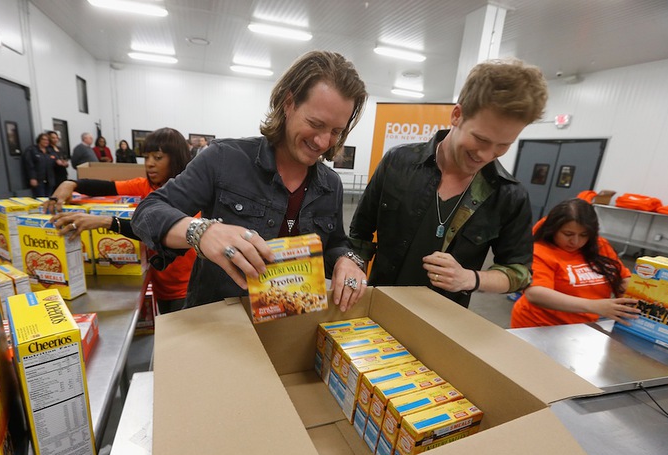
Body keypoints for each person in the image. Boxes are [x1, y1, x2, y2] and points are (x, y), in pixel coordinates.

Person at [131, 50, 369, 311]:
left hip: (293, 323)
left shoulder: (330, 184)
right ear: (288, 103)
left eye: (336, 131)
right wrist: (200, 232)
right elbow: (148, 212)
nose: (323, 142)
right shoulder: (224, 159)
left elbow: (335, 242)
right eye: (315, 123)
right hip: (219, 325)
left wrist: (346, 260)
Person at [349, 59, 548, 308]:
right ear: (457, 115)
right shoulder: (398, 162)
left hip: (445, 321)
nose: (486, 155)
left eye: (503, 145)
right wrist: (352, 275)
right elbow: (360, 236)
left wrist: (470, 278)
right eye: (480, 139)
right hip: (378, 305)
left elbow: (518, 273)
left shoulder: (509, 195)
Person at [46, 128, 195, 314]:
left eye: (157, 158)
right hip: (160, 283)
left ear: (176, 159)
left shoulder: (188, 195)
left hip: (186, 290)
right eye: (146, 157)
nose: (149, 164)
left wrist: (106, 222)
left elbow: (163, 233)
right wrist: (71, 183)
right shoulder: (145, 186)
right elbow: (107, 187)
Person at [510, 199, 639, 328]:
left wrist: (630, 298)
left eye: (584, 235)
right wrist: (594, 306)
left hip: (582, 327)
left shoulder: (600, 246)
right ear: (553, 229)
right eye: (568, 234)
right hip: (540, 326)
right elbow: (536, 294)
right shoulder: (540, 251)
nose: (575, 241)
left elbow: (622, 277)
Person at [23, 132, 57, 197]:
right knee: (40, 199)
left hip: (49, 180)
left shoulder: (50, 151)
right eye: (43, 139)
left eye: (47, 140)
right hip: (38, 180)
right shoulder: (32, 150)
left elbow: (55, 160)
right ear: (39, 140)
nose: (46, 141)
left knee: (49, 199)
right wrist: (32, 178)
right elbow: (29, 166)